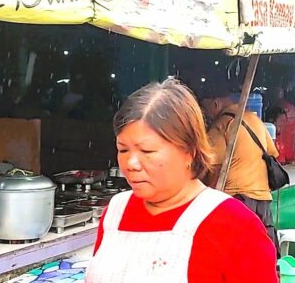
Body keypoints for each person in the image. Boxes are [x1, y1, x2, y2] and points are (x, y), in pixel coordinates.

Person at [88, 80, 277, 282]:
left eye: (147, 151)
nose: (131, 163)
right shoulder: (116, 211)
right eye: (123, 149)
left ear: (189, 152)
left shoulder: (234, 223)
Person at [201, 93, 279, 248]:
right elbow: (273, 152)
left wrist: (204, 192)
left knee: (237, 248)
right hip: (262, 195)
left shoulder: (221, 125)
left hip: (238, 197)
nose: (204, 114)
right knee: (262, 247)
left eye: (205, 108)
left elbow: (212, 165)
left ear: (215, 103)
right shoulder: (254, 119)